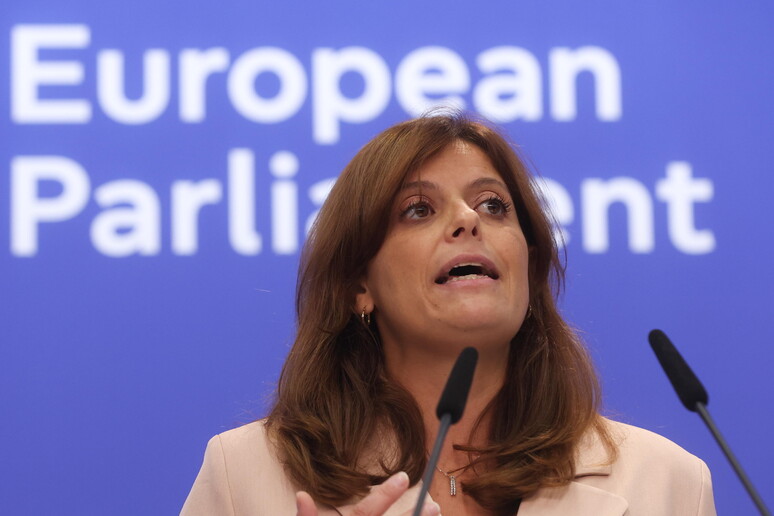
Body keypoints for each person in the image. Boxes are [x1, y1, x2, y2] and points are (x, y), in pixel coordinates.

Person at [181, 112, 716, 516]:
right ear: (359, 285)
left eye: (493, 205)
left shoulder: (666, 482)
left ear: (529, 269)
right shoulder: (246, 474)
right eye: (419, 209)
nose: (467, 219)